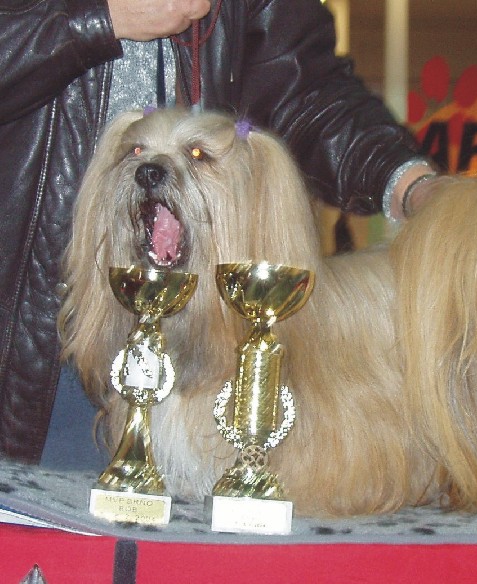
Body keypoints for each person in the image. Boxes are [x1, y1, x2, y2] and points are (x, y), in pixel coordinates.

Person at [0, 0, 439, 467]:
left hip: (207, 355)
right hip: (33, 346)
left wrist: (407, 182)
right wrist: (98, 22)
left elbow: (306, 88)